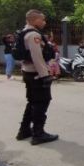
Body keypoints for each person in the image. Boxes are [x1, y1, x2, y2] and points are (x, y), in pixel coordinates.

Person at [16, 9, 59, 145]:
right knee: (41, 103)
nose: (44, 22)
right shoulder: (34, 34)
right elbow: (37, 57)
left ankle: (24, 131)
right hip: (36, 74)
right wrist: (44, 75)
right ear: (34, 20)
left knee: (32, 102)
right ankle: (38, 134)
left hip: (29, 72)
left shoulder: (24, 32)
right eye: (42, 19)